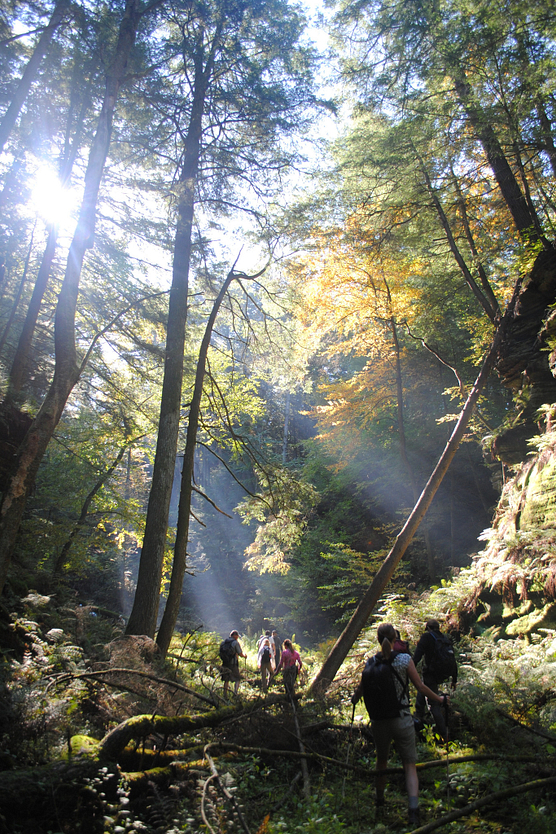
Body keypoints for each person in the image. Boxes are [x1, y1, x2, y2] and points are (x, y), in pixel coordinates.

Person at [351, 623, 450, 826]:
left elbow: (359, 691)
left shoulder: (370, 663)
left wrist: (354, 701)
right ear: (396, 638)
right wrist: (439, 700)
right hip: (402, 718)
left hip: (379, 722)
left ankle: (379, 802)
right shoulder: (404, 660)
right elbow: (421, 687)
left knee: (381, 761)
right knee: (409, 765)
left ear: (378, 639)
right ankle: (413, 811)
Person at [413, 619, 457, 741]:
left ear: (428, 628)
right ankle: (418, 719)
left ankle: (445, 735)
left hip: (431, 674)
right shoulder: (445, 638)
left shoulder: (427, 637)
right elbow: (452, 660)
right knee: (423, 689)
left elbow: (417, 656)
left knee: (433, 705)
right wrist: (454, 678)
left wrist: (408, 669)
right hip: (442, 674)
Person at [221, 629, 247, 698]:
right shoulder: (235, 643)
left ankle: (225, 695)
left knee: (226, 680)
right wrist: (244, 656)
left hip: (225, 663)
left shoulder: (224, 642)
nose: (238, 637)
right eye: (237, 636)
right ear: (235, 636)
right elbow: (240, 653)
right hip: (233, 664)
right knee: (237, 678)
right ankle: (235, 694)